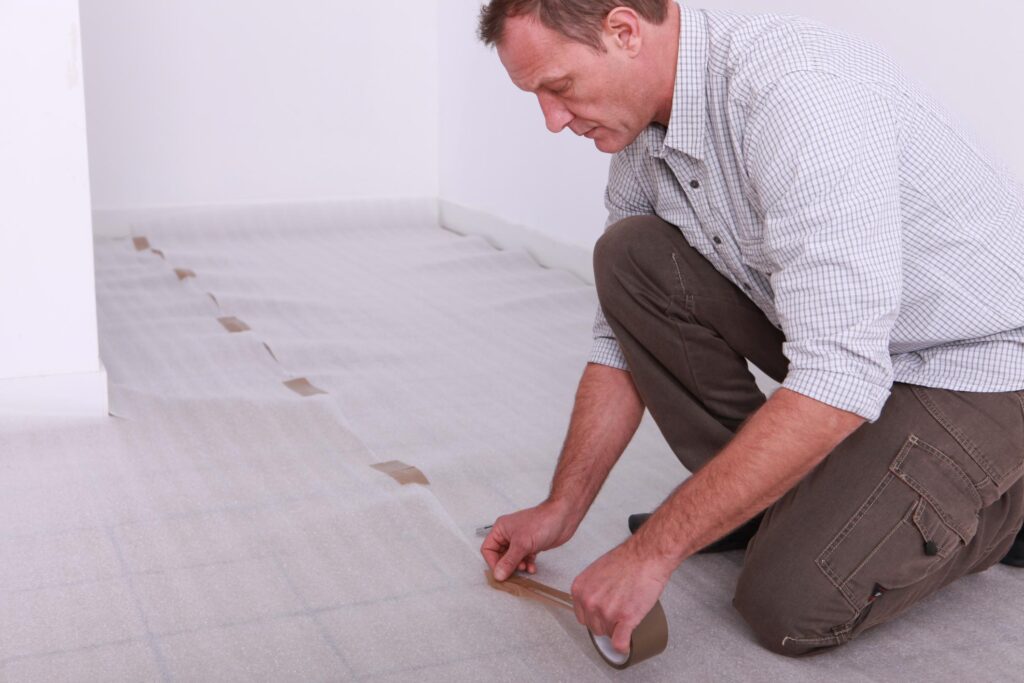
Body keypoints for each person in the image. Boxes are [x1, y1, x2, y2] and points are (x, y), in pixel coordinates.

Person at [477, 0, 1024, 658]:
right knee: (629, 258)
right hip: (866, 352)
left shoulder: (798, 96)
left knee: (788, 601)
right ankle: (792, 501)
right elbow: (618, 338)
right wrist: (561, 507)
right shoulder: (646, 133)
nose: (552, 119)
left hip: (980, 363)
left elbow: (838, 371)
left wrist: (652, 551)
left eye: (558, 88)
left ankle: (1004, 502)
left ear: (623, 31)